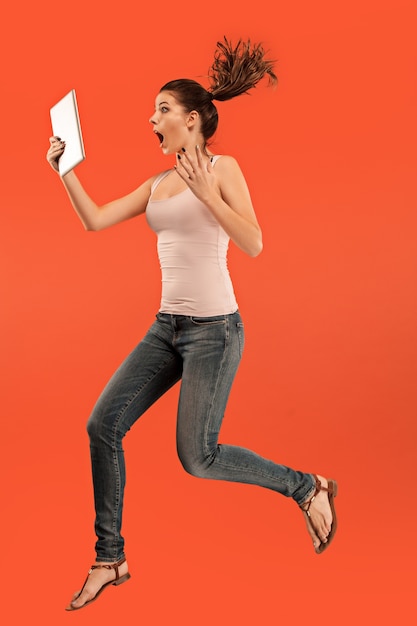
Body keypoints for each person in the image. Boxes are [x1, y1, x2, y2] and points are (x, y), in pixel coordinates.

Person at [47, 37, 338, 612]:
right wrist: (65, 171)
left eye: (163, 110)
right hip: (166, 329)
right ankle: (111, 558)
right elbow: (96, 220)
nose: (152, 119)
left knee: (197, 458)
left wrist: (209, 191)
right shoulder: (157, 183)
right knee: (101, 426)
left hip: (215, 332)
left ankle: (308, 487)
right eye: (154, 110)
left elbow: (253, 242)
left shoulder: (223, 167)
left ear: (194, 119)